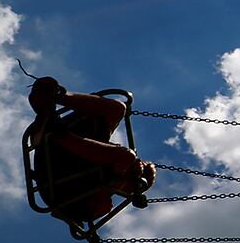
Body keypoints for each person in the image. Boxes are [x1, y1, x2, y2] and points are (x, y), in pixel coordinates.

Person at [27, 77, 155, 224]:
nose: (134, 166)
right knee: (118, 109)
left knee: (126, 157)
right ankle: (56, 97)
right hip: (67, 152)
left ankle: (54, 132)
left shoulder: (105, 204)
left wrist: (121, 180)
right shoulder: (109, 158)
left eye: (135, 172)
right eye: (138, 166)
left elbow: (75, 215)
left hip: (62, 183)